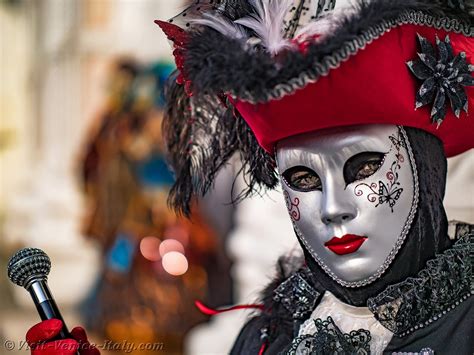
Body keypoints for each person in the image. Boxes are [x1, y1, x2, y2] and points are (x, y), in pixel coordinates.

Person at [26, 0, 473, 354]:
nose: (334, 208)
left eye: (363, 168)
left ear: (425, 167)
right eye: (302, 178)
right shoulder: (274, 329)